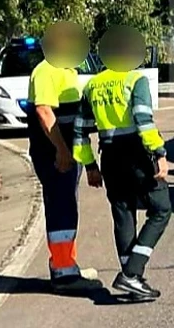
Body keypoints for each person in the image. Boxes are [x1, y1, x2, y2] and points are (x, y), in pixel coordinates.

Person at [73, 26, 171, 300]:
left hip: (110, 158)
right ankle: (132, 273)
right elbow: (143, 120)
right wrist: (160, 152)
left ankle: (133, 279)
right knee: (162, 209)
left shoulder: (92, 85)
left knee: (123, 214)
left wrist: (90, 166)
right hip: (137, 155)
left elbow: (80, 131)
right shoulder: (134, 79)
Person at [27, 22, 101, 291]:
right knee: (61, 207)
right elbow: (45, 112)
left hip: (67, 152)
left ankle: (67, 263)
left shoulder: (67, 71)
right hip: (55, 153)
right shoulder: (45, 71)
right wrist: (61, 150)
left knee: (67, 206)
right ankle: (63, 272)